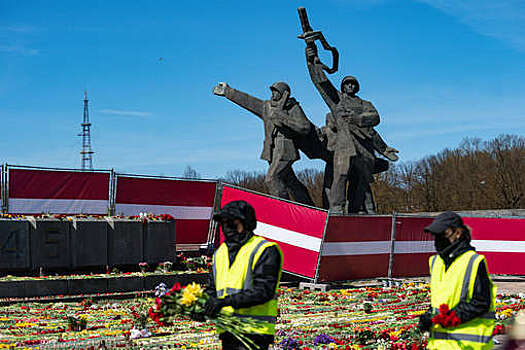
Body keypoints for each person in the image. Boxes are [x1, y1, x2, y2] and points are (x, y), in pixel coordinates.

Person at [304, 45, 398, 213]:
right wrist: (310, 59)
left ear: (357, 87)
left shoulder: (365, 104)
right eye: (347, 84)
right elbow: (320, 82)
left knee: (361, 181)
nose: (350, 86)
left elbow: (374, 121)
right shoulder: (337, 101)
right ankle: (336, 209)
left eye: (353, 84)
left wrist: (383, 149)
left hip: (364, 148)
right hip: (344, 145)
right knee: (341, 174)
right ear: (342, 87)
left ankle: (354, 211)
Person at [213, 81, 315, 206]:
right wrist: (228, 91)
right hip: (272, 149)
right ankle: (308, 207)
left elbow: (305, 127)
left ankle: (283, 211)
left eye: (276, 91)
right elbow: (249, 101)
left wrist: (283, 118)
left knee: (272, 178)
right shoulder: (267, 107)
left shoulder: (292, 107)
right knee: (290, 181)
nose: (273, 94)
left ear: (284, 94)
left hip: (286, 148)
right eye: (272, 91)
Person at [204, 200, 283, 350]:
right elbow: (212, 288)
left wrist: (223, 302)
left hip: (254, 333)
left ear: (246, 223)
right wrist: (203, 305)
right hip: (228, 332)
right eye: (223, 223)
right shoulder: (220, 253)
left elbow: (263, 291)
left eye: (232, 223)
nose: (226, 228)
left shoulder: (265, 250)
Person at [418, 211, 497, 349]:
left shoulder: (473, 261)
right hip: (440, 345)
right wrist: (429, 316)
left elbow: (481, 303)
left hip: (468, 345)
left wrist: (449, 317)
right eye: (435, 235)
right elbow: (441, 300)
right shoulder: (436, 262)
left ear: (458, 233)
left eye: (442, 234)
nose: (437, 239)